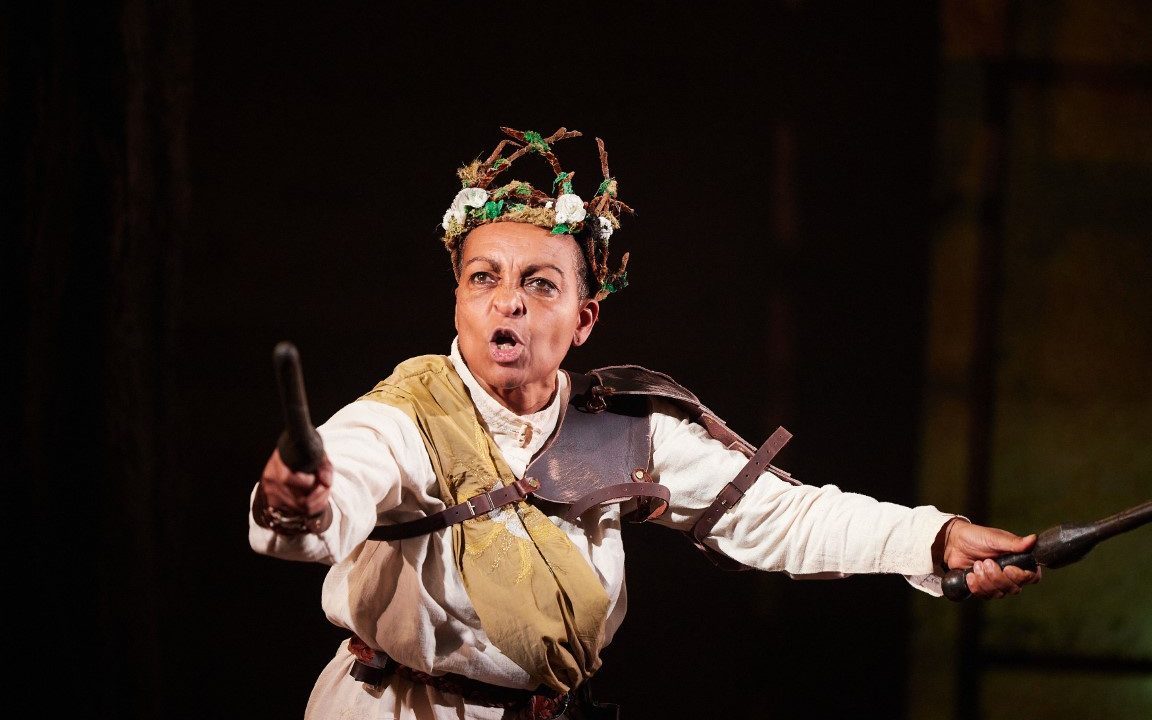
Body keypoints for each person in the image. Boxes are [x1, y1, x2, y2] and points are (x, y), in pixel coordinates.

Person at [249, 126, 1040, 720]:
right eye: (482, 278)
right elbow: (343, 474)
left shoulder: (621, 429)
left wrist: (933, 539)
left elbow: (779, 517)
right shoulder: (409, 411)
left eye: (540, 283)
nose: (508, 300)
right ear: (458, 300)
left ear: (584, 318)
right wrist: (302, 501)